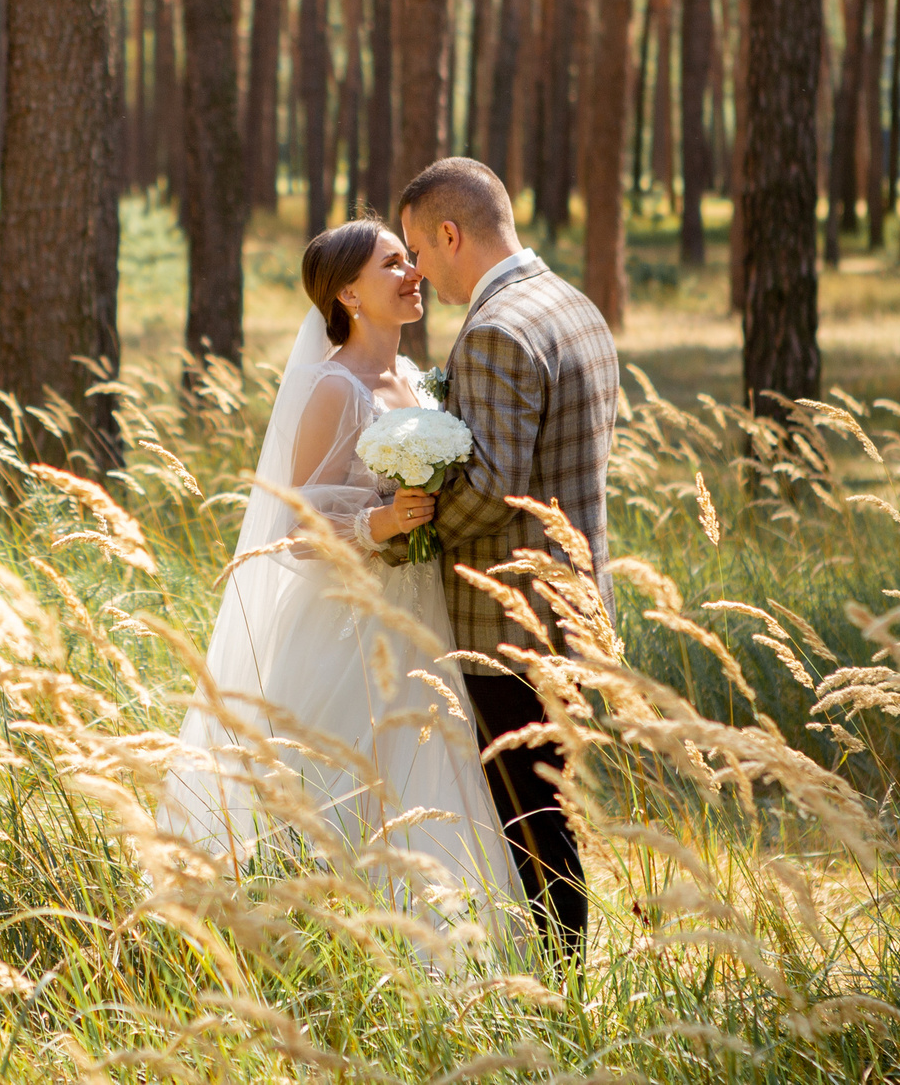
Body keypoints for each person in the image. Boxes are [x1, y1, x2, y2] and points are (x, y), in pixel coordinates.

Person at [160, 218, 523, 935]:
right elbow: (296, 529)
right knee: (341, 791)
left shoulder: (421, 382)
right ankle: (322, 940)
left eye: (409, 259)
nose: (412, 272)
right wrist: (383, 523)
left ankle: (443, 950)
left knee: (427, 782)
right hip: (345, 626)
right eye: (393, 263)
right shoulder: (335, 389)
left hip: (422, 617)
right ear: (350, 293)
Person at [393, 156, 618, 955]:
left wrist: (405, 529)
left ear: (451, 234)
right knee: (547, 816)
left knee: (532, 827)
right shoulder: (574, 305)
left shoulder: (496, 328)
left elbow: (490, 489)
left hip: (508, 623)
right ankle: (563, 985)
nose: (417, 269)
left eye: (419, 248)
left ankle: (564, 996)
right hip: (572, 606)